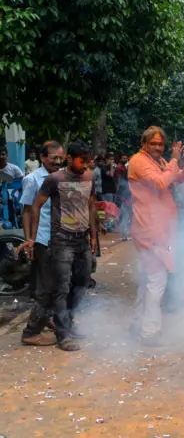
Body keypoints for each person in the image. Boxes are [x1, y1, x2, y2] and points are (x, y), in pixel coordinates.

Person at [128, 127, 184, 346]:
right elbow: (160, 183)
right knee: (157, 280)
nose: (158, 147)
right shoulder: (138, 161)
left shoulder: (158, 162)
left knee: (148, 279)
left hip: (159, 228)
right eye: (154, 144)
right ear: (144, 143)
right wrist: (175, 159)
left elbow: (181, 178)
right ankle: (149, 332)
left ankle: (138, 324)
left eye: (160, 144)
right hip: (150, 228)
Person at [26, 140, 97, 352]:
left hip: (82, 241)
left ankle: (68, 322)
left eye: (87, 161)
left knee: (82, 284)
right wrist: (32, 238)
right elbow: (35, 206)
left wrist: (93, 236)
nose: (85, 165)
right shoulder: (54, 179)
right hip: (61, 242)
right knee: (61, 288)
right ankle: (63, 334)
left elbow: (91, 206)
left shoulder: (89, 177)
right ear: (69, 158)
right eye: (81, 160)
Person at [19, 141, 66, 346]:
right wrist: (30, 240)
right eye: (52, 158)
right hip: (42, 238)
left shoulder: (64, 177)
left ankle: (50, 320)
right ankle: (31, 332)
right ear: (42, 158)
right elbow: (27, 211)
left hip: (61, 238)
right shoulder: (32, 179)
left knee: (59, 283)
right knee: (46, 286)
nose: (57, 161)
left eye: (60, 158)